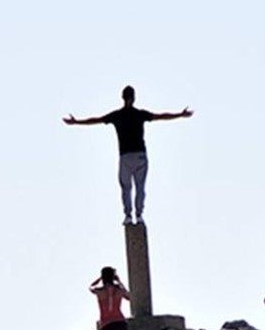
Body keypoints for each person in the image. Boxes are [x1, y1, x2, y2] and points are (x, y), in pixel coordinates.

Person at [64, 85, 193, 225]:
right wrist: (180, 115)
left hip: (126, 156)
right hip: (139, 155)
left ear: (122, 97)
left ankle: (129, 215)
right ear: (134, 98)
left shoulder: (117, 115)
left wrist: (76, 122)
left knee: (126, 188)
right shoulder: (139, 114)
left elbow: (96, 120)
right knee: (140, 187)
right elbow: (161, 116)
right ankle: (139, 215)